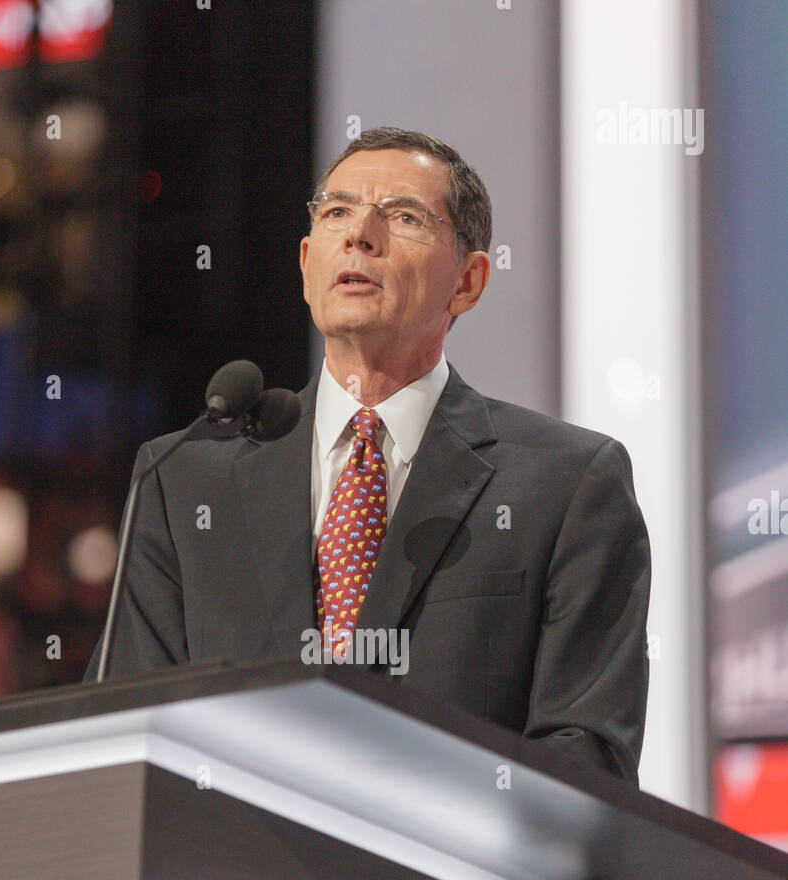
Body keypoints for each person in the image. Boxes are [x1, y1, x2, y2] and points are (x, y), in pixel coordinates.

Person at [86, 127, 651, 785]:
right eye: (336, 213)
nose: (359, 236)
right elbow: (128, 739)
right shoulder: (182, 479)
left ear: (466, 282)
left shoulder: (566, 483)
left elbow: (586, 762)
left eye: (404, 217)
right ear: (306, 263)